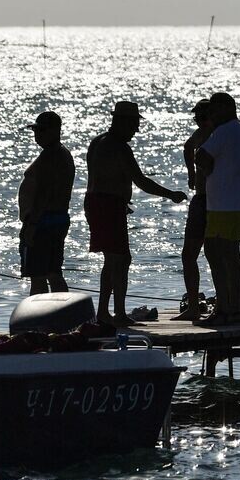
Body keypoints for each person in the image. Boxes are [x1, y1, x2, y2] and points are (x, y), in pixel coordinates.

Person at [85, 101, 186, 327]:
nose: (136, 130)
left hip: (97, 202)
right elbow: (140, 180)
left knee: (115, 259)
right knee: (117, 259)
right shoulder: (119, 146)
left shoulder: (97, 142)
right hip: (107, 205)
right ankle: (114, 314)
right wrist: (170, 194)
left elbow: (103, 178)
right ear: (121, 122)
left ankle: (107, 311)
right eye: (133, 125)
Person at [197, 92, 240, 326]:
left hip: (224, 205)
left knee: (218, 254)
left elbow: (200, 156)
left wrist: (210, 172)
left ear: (226, 108)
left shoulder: (224, 131)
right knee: (229, 255)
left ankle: (225, 309)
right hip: (235, 202)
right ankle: (232, 308)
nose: (209, 115)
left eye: (213, 110)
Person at [18, 111, 75, 295]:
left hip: (43, 222)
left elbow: (44, 193)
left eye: (42, 130)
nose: (37, 134)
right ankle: (65, 317)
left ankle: (39, 319)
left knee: (38, 276)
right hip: (55, 220)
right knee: (53, 273)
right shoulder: (60, 154)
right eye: (36, 130)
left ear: (55, 131)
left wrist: (32, 224)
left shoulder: (52, 156)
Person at [174, 99, 215, 321]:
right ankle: (193, 307)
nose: (199, 121)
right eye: (196, 117)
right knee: (189, 254)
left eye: (203, 116)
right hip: (201, 199)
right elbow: (187, 147)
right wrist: (191, 173)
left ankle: (226, 305)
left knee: (217, 254)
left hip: (216, 201)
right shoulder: (201, 134)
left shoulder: (219, 134)